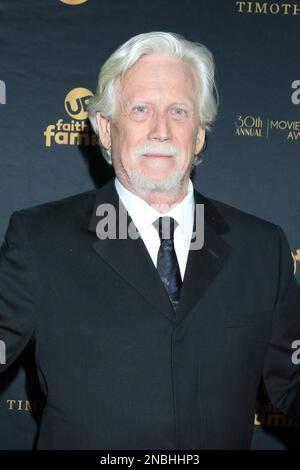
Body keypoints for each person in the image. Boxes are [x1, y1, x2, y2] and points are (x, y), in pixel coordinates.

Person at [0, 31, 300, 450]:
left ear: (198, 134)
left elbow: (293, 381)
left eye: (179, 111)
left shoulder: (262, 248)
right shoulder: (39, 241)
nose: (161, 130)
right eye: (141, 109)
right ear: (105, 129)